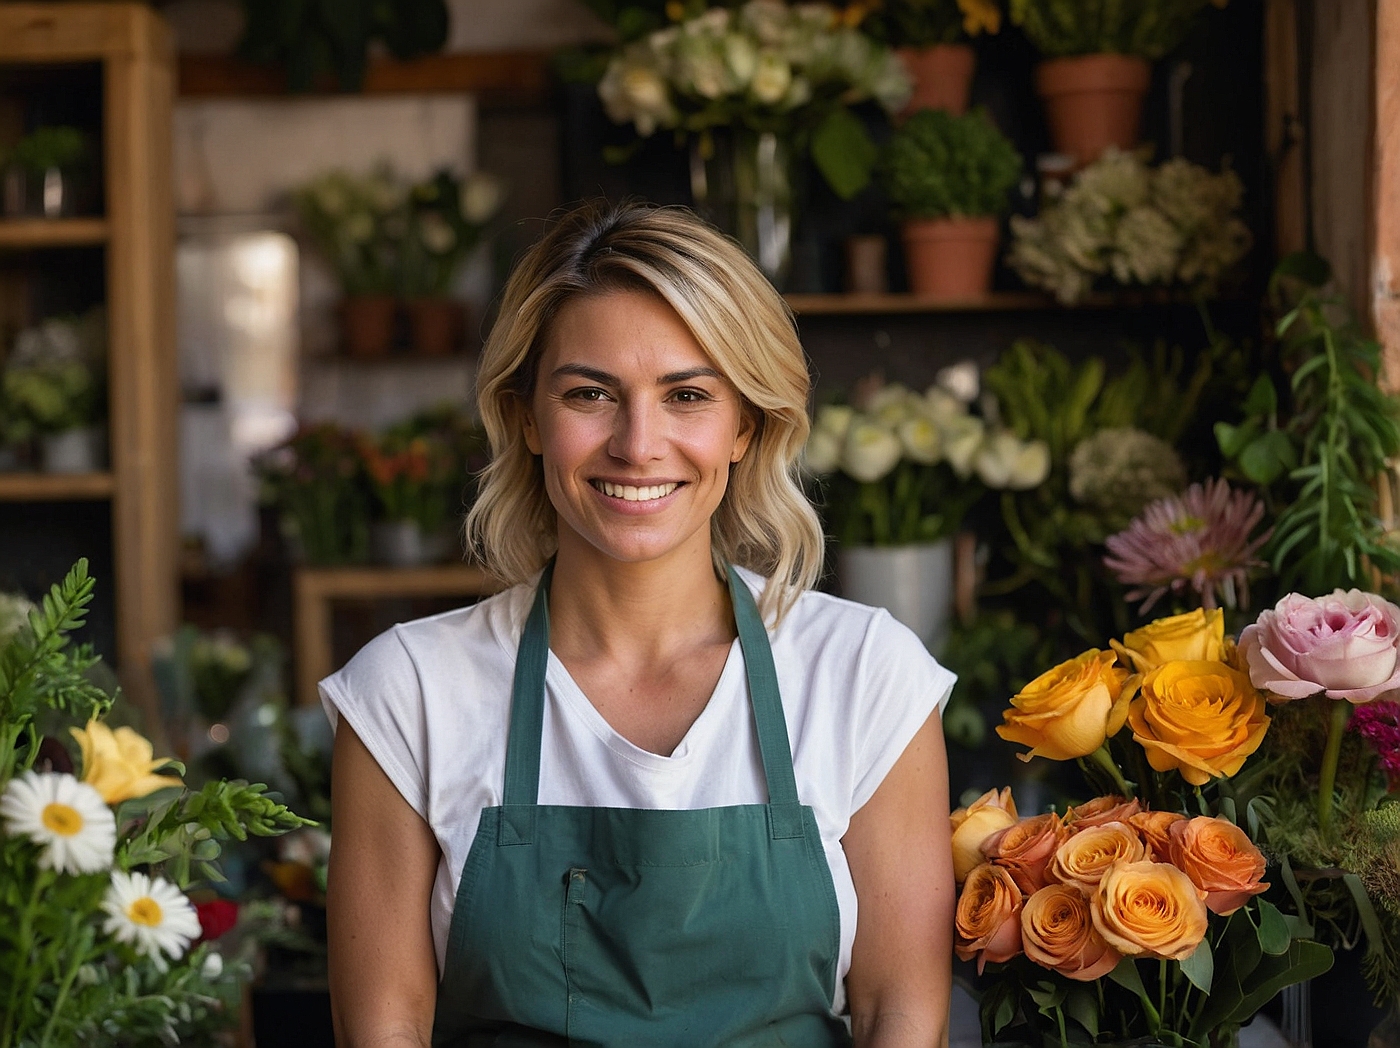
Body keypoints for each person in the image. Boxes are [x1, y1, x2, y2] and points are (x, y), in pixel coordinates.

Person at [323, 200, 957, 1047]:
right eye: (590, 393)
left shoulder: (864, 673)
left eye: (688, 394)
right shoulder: (408, 691)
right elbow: (385, 1031)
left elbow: (900, 1015)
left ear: (746, 425)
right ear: (525, 416)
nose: (638, 443)